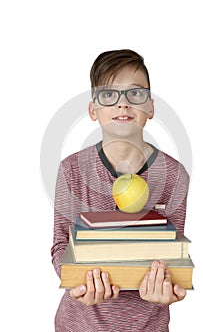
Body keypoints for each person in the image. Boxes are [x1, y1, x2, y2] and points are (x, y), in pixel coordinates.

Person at [51, 49, 190, 331]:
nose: (122, 104)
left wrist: (168, 290)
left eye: (135, 94)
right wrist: (78, 284)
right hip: (80, 324)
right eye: (109, 95)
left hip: (147, 326)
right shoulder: (71, 170)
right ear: (93, 110)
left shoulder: (174, 175)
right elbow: (59, 247)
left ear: (150, 107)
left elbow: (173, 252)